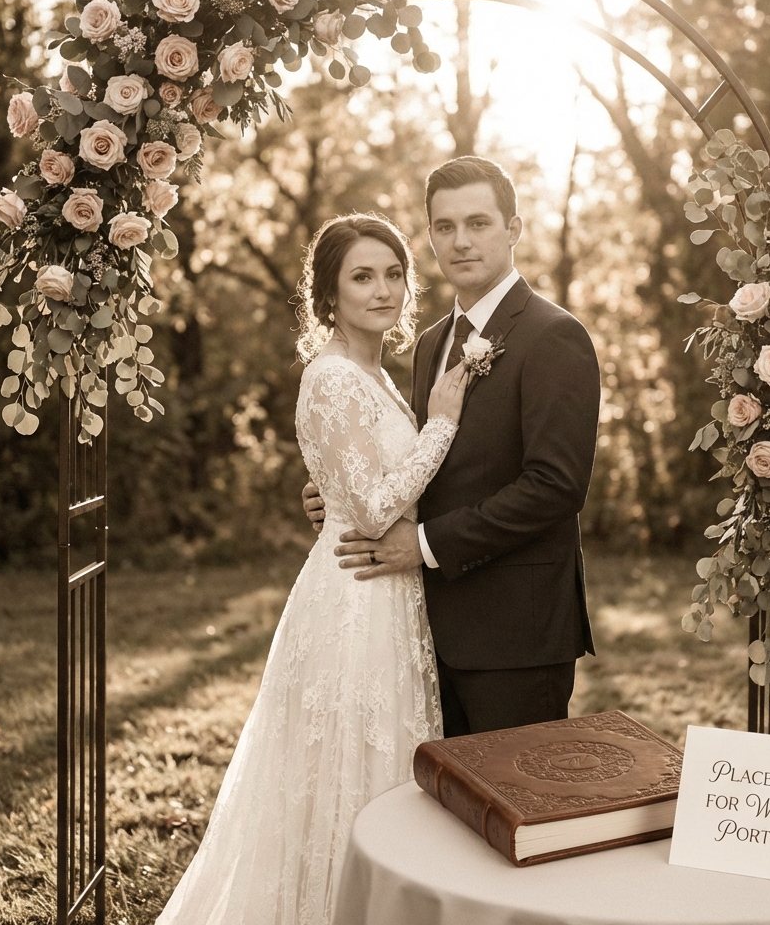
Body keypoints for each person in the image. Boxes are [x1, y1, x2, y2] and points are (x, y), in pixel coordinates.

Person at [156, 213, 470, 925]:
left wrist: (332, 490)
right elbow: (375, 507)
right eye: (363, 277)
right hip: (355, 600)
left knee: (383, 770)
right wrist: (443, 424)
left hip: (386, 590)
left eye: (393, 274)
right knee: (345, 779)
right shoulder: (331, 377)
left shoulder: (374, 374)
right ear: (328, 295)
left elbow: (358, 482)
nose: (383, 290)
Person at [304, 156, 600, 738]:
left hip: (514, 635)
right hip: (422, 630)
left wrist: (423, 544)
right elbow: (426, 459)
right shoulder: (432, 342)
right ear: (432, 238)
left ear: (513, 230)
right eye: (445, 227)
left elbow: (555, 487)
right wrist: (339, 489)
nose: (461, 241)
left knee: (513, 793)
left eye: (478, 223)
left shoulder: (554, 336)